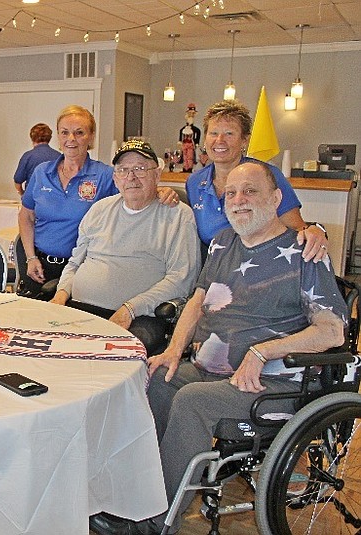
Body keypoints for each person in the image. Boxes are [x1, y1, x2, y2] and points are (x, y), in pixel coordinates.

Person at [88, 161, 348, 535]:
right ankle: (132, 499)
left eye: (251, 192)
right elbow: (197, 300)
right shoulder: (224, 242)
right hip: (212, 368)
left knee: (193, 400)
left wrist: (263, 352)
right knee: (153, 378)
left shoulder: (305, 251)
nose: (239, 200)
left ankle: (155, 522)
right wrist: (174, 351)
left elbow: (332, 331)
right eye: (231, 193)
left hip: (272, 382)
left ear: (277, 199)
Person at [50, 141, 200, 355]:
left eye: (140, 168)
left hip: (140, 316)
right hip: (78, 307)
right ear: (115, 178)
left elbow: (182, 279)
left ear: (157, 175)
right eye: (123, 170)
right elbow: (75, 262)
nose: (131, 177)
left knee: (108, 358)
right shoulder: (99, 209)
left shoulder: (177, 215)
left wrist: (131, 308)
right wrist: (61, 294)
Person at [186, 100, 328, 262]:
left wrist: (315, 231)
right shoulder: (194, 182)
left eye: (229, 133)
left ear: (244, 140)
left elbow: (297, 227)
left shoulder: (267, 175)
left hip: (264, 265)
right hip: (215, 268)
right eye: (213, 133)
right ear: (205, 139)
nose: (220, 140)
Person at [17, 105, 118, 299]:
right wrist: (31, 257)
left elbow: (134, 195)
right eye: (65, 133)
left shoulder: (104, 176)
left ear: (91, 137)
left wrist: (162, 192)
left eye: (79, 133)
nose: (71, 139)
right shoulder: (41, 172)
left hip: (83, 271)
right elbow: (26, 216)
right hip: (39, 268)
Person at [13, 123, 60, 196]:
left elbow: (17, 182)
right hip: (54, 198)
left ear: (32, 137)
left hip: (33, 199)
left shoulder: (28, 156)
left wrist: (23, 194)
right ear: (49, 138)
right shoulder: (58, 156)